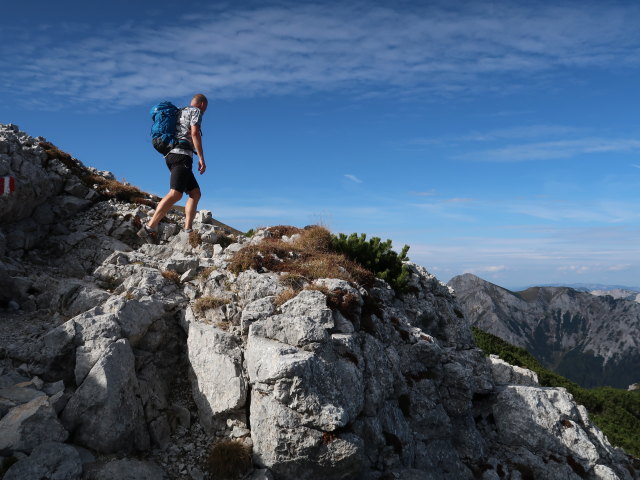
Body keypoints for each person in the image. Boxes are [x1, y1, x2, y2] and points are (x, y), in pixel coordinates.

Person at [138, 93, 208, 241]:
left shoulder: (179, 111)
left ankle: (187, 230)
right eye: (205, 108)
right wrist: (201, 157)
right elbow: (195, 133)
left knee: (195, 193)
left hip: (171, 154)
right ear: (202, 105)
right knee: (176, 193)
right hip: (181, 154)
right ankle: (149, 227)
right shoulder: (195, 111)